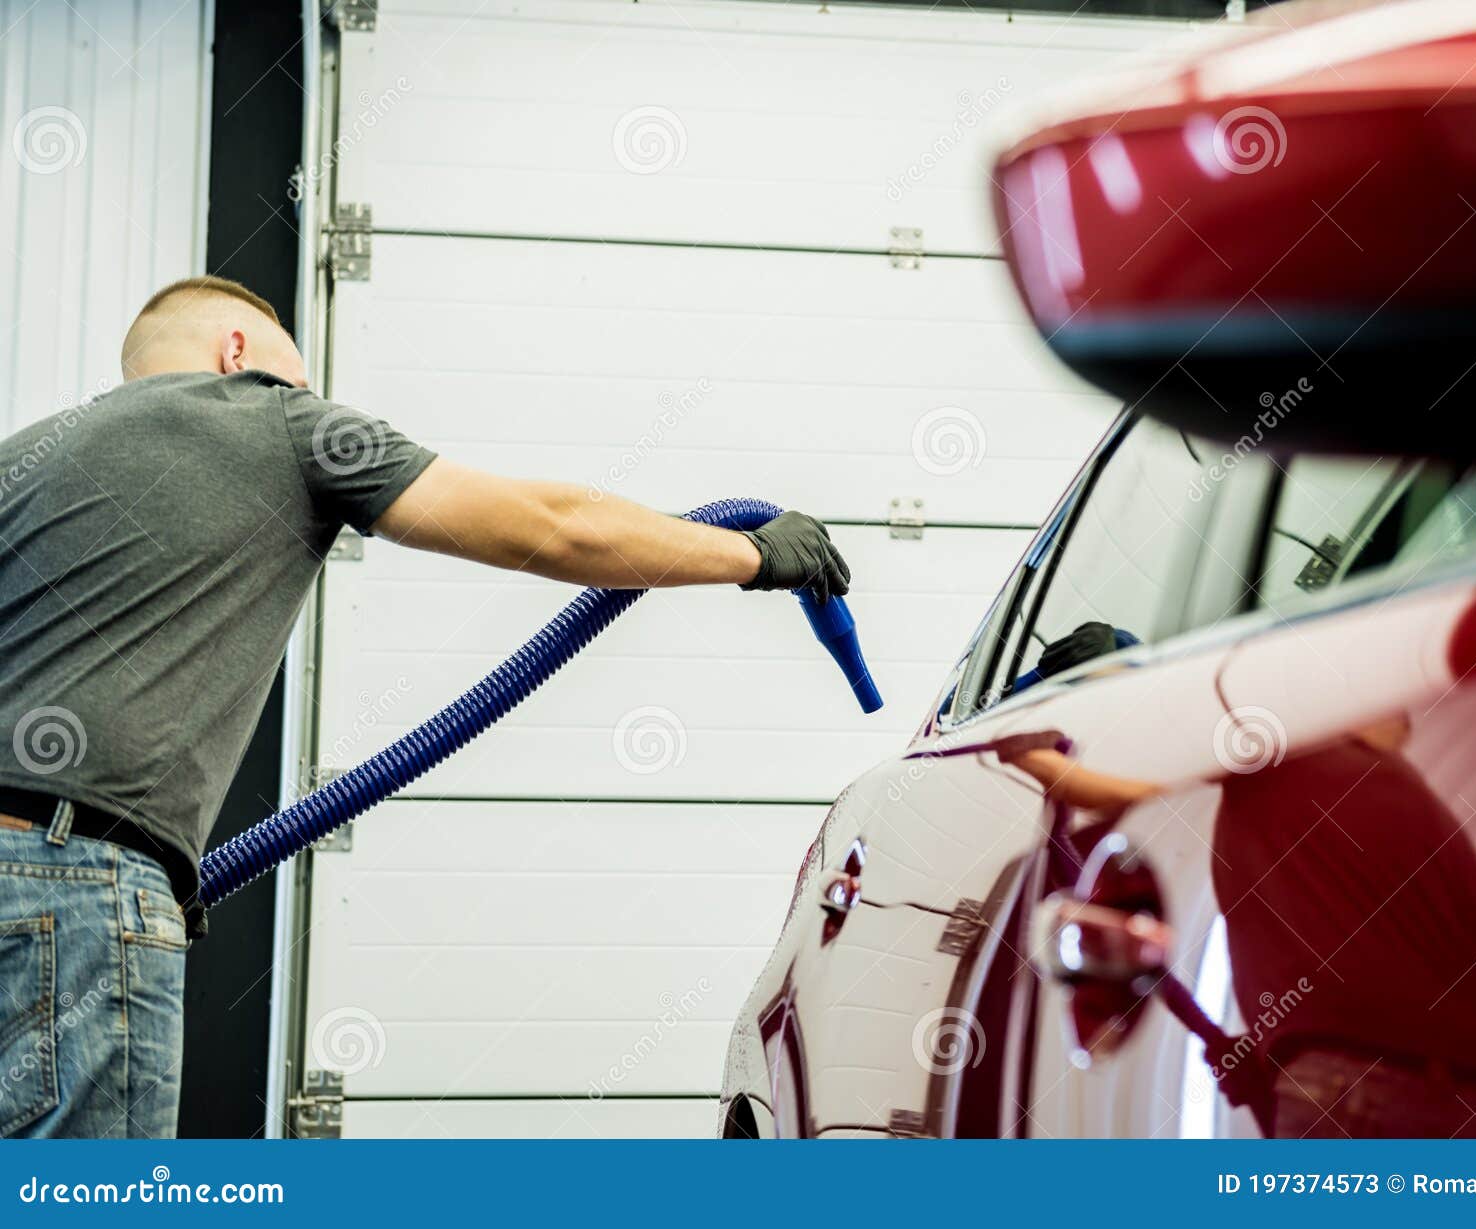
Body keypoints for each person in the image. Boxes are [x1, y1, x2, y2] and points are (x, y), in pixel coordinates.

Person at [0, 275, 850, 1138]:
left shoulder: (22, 462)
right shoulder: (280, 422)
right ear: (236, 353)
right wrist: (752, 554)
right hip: (78, 883)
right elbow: (552, 526)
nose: (305, 397)